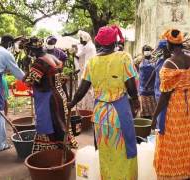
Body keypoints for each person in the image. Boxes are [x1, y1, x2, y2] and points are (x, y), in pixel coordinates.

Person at [69, 25, 139, 179]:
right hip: (119, 113)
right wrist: (136, 103)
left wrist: (71, 103)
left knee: (105, 152)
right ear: (114, 42)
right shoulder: (123, 57)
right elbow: (132, 88)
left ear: (99, 43)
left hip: (100, 114)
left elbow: (82, 89)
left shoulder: (92, 63)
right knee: (124, 151)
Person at [152, 29, 190, 180]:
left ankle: (171, 174)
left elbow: (165, 95)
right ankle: (186, 173)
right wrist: (188, 90)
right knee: (186, 139)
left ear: (168, 44)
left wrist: (154, 117)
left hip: (175, 105)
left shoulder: (169, 63)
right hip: (189, 103)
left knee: (171, 140)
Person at [23, 37, 78, 153]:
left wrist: (27, 67)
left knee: (50, 126)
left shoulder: (39, 63)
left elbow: (29, 81)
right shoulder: (52, 57)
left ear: (31, 52)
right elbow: (60, 78)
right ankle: (64, 152)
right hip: (59, 96)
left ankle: (51, 154)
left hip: (48, 100)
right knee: (60, 124)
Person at [75, 30, 96, 110]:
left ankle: (87, 108)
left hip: (87, 69)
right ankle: (88, 106)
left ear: (84, 39)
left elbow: (78, 55)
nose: (80, 41)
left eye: (81, 39)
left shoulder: (87, 47)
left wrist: (73, 52)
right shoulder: (91, 45)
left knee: (85, 89)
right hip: (91, 68)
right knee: (89, 89)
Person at [138, 45, 156, 119]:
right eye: (145, 50)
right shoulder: (139, 60)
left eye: (148, 50)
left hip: (152, 90)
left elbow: (155, 72)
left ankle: (152, 127)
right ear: (143, 51)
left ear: (151, 51)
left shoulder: (154, 60)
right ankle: (145, 127)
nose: (147, 51)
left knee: (153, 112)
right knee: (144, 113)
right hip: (142, 89)